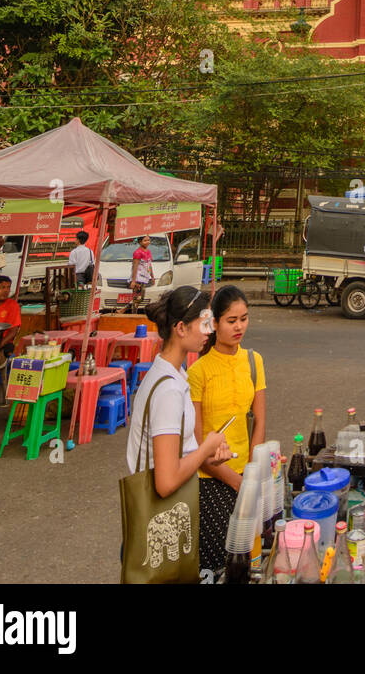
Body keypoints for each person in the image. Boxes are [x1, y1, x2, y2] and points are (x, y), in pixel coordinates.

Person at [188, 285, 266, 579]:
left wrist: (251, 470)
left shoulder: (254, 361)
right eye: (231, 321)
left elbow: (259, 421)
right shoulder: (199, 371)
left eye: (243, 319)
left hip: (248, 477)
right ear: (214, 323)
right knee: (218, 566)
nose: (239, 327)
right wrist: (234, 480)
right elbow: (197, 442)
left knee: (250, 561)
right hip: (211, 481)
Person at [126, 287, 231, 504]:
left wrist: (207, 452)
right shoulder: (169, 391)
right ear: (181, 328)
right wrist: (205, 450)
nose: (209, 331)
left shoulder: (169, 374)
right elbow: (166, 482)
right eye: (204, 323)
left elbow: (180, 452)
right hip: (162, 514)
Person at [130, 235, 154, 310]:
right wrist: (133, 281)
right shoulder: (137, 252)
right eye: (145, 240)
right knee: (138, 298)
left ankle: (123, 309)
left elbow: (149, 265)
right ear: (140, 242)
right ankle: (132, 314)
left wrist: (152, 276)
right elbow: (135, 266)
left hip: (145, 278)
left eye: (148, 240)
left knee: (140, 298)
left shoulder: (149, 252)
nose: (147, 242)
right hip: (138, 278)